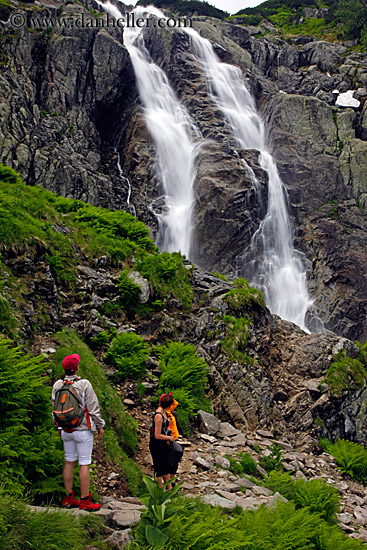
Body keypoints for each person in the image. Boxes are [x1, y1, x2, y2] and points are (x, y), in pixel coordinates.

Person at [52, 353, 105, 511]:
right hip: (82, 430)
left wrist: (59, 426)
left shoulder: (57, 385)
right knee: (84, 464)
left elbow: (54, 408)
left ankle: (68, 498)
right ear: (76, 368)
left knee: (69, 461)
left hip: (65, 430)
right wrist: (100, 425)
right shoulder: (84, 384)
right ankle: (85, 500)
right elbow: (93, 407)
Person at [149, 394, 175, 489]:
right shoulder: (159, 416)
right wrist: (169, 438)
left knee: (165, 465)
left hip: (163, 444)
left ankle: (169, 488)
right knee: (159, 467)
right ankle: (159, 490)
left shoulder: (164, 412)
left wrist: (168, 432)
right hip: (157, 444)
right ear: (168, 405)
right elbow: (157, 435)